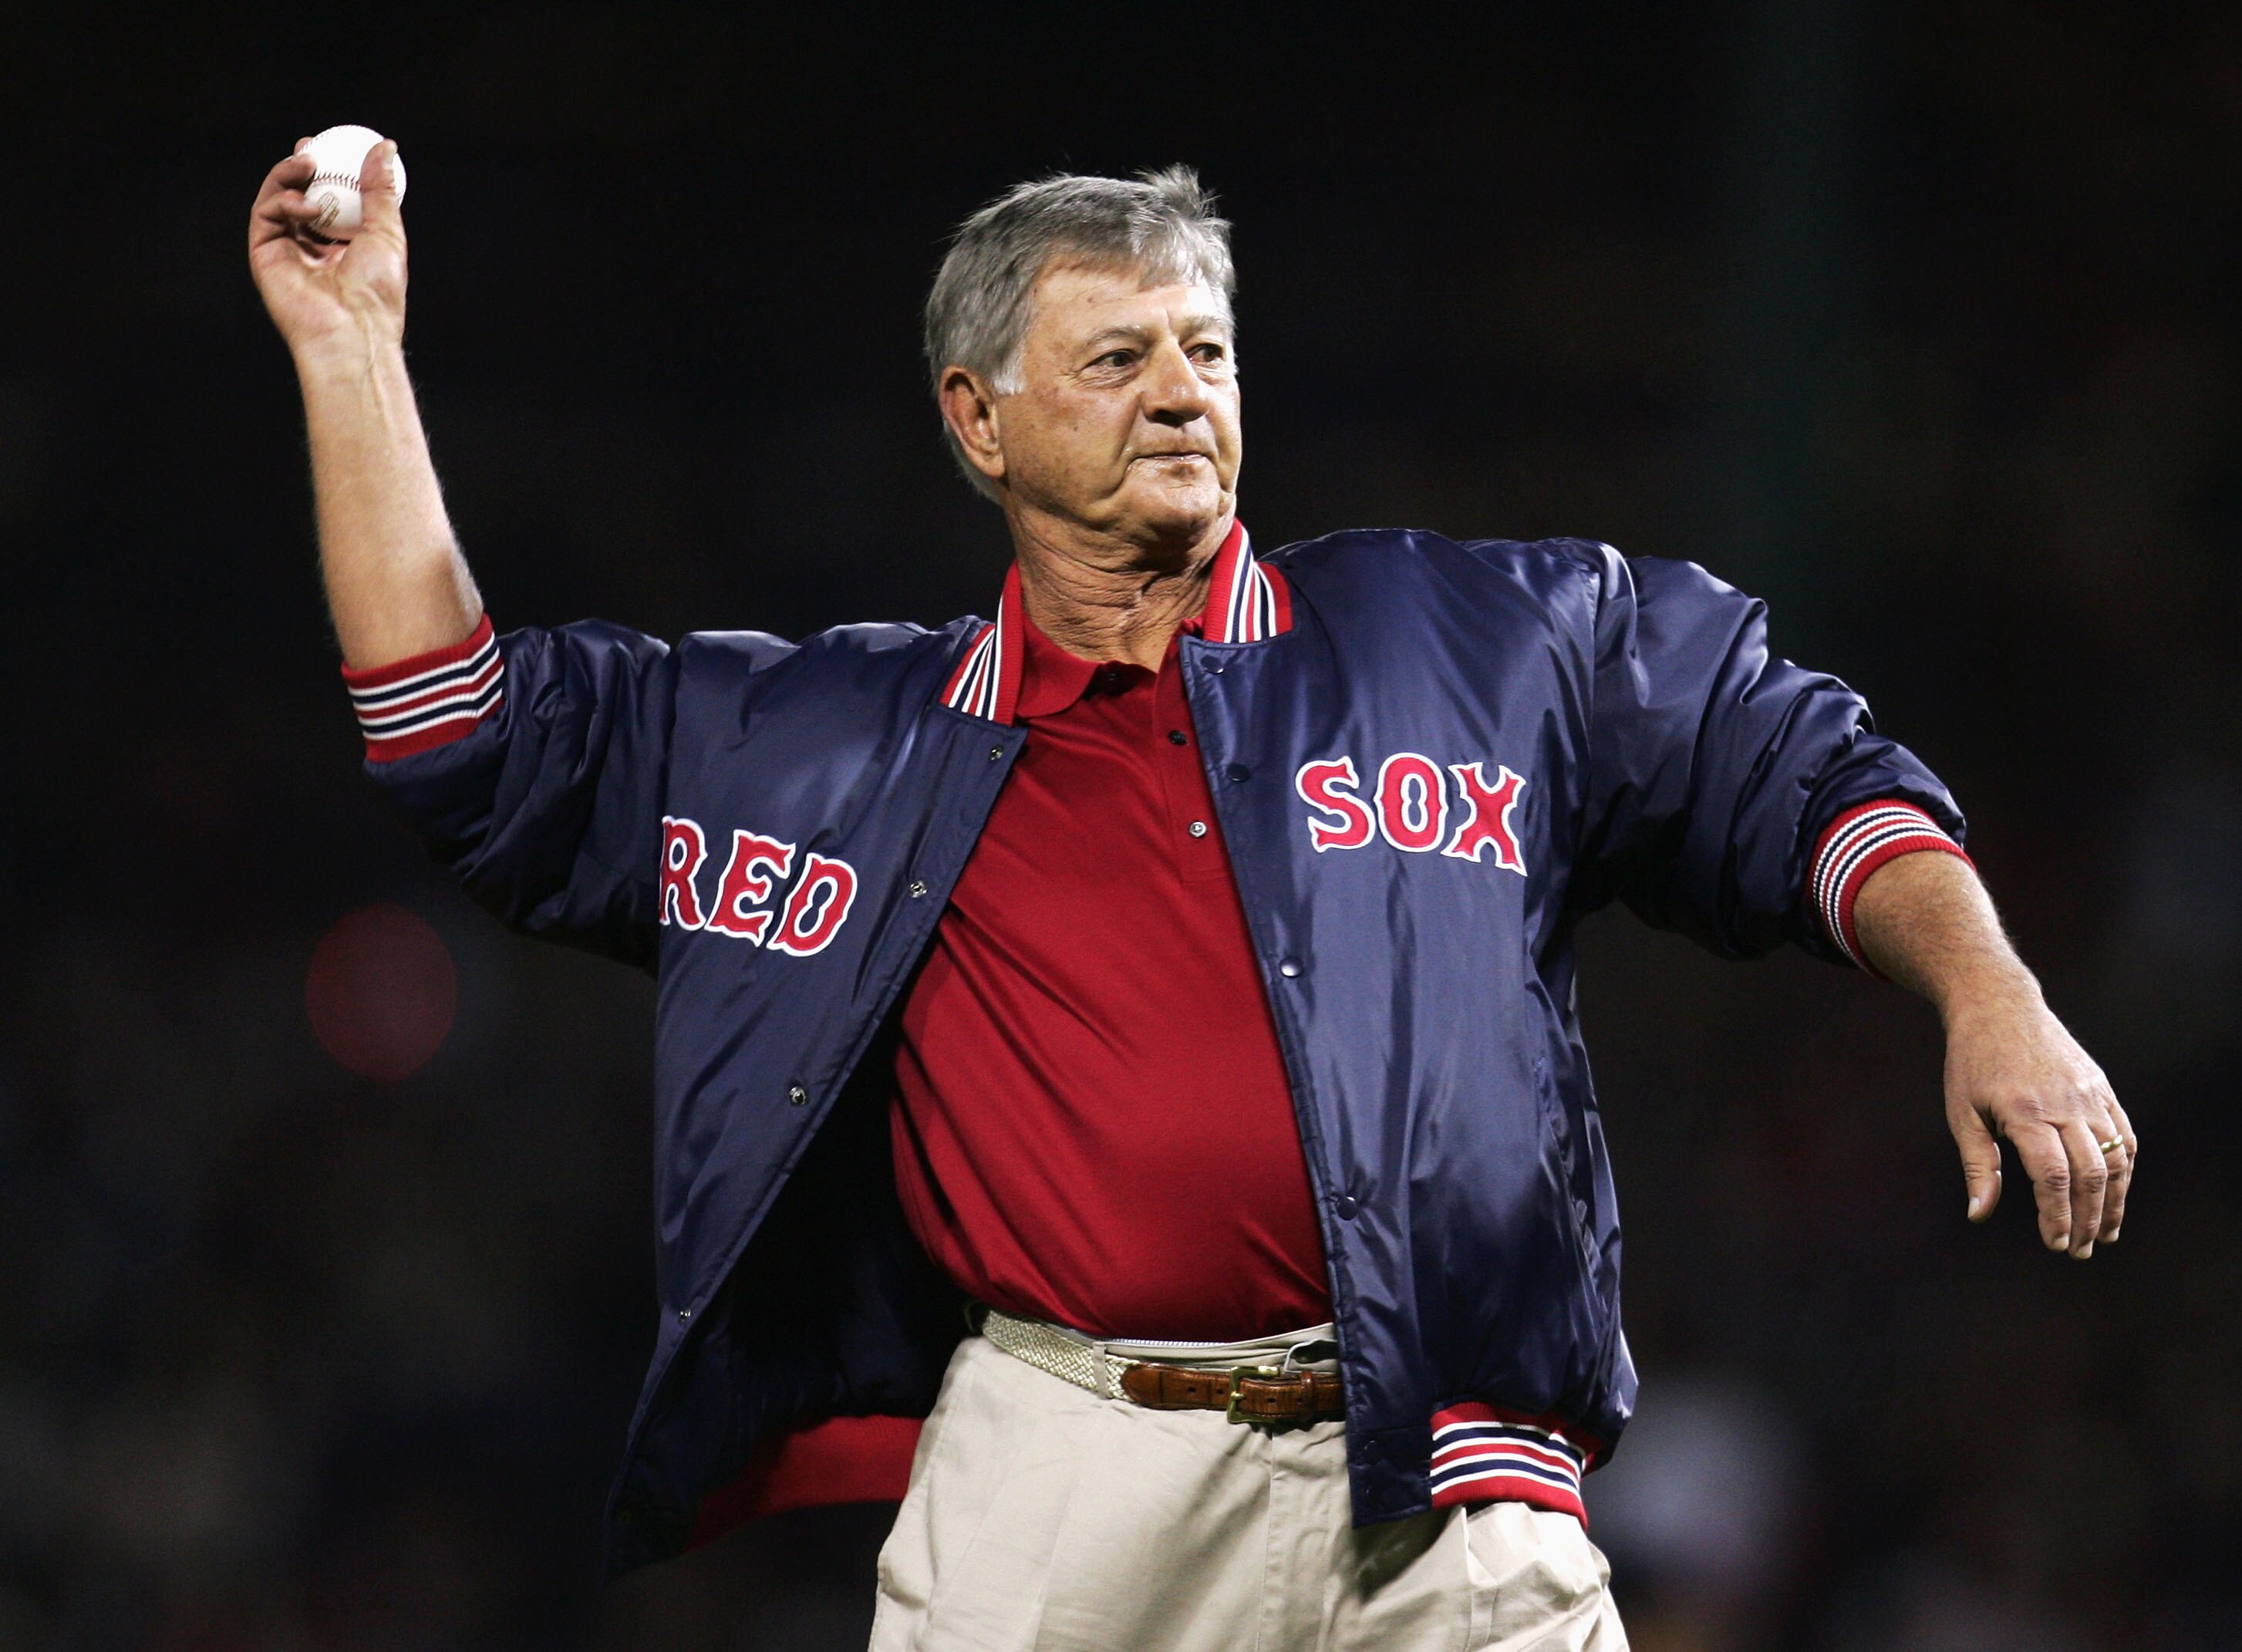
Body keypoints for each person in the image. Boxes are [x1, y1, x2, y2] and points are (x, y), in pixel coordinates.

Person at [248, 139, 2134, 1650]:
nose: (1180, 393)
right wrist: (353, 359)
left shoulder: (1472, 646)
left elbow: (1787, 755)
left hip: (1443, 1477)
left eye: (1208, 350)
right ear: (977, 423)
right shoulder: (824, 738)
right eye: (1118, 356)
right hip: (1065, 1478)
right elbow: (459, 737)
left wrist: (1986, 987)